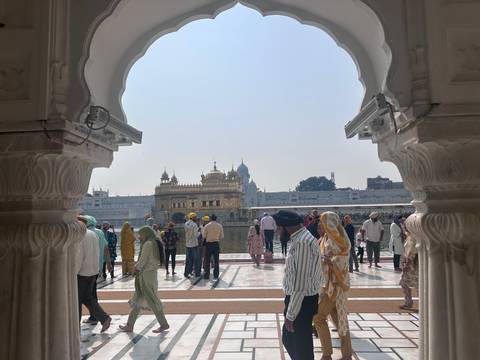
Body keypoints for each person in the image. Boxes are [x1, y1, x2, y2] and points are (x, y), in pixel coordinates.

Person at [273, 210, 321, 360]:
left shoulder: (302, 242)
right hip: (302, 299)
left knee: (300, 346)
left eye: (279, 229)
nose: (279, 232)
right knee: (292, 341)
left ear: (286, 228)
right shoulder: (301, 238)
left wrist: (291, 314)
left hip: (301, 300)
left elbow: (300, 282)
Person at [314, 211, 353, 360]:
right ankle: (347, 354)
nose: (320, 226)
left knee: (318, 317)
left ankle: (327, 354)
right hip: (326, 284)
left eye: (323, 223)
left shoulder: (340, 240)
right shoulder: (325, 238)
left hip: (335, 286)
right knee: (339, 319)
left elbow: (343, 257)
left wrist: (330, 261)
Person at [119, 226, 170, 333]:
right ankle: (130, 325)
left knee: (152, 300)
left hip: (145, 275)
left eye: (141, 235)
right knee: (138, 299)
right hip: (150, 275)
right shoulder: (155, 242)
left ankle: (164, 324)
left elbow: (142, 261)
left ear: (146, 234)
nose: (139, 237)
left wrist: (134, 270)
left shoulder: (148, 244)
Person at [76, 217, 112, 332]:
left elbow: (78, 256)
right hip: (93, 271)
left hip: (82, 273)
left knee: (77, 300)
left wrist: (73, 272)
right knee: (88, 298)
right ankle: (104, 318)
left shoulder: (80, 236)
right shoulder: (92, 234)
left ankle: (74, 327)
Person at [399, 231, 418, 309]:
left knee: (418, 285)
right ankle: (408, 302)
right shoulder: (409, 237)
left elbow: (413, 252)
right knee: (404, 283)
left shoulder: (413, 237)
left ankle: (424, 304)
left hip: (413, 265)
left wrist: (408, 263)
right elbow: (405, 251)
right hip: (408, 264)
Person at [202, 214, 224, 280]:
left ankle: (206, 275)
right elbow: (222, 236)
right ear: (216, 219)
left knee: (207, 261)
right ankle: (216, 275)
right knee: (216, 261)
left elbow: (204, 236)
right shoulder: (219, 226)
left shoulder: (207, 226)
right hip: (216, 244)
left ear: (211, 219)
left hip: (208, 245)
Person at [184, 212, 201, 278]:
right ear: (193, 217)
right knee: (196, 259)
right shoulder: (194, 225)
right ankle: (197, 273)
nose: (196, 218)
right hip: (194, 244)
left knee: (188, 259)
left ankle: (187, 273)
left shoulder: (186, 224)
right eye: (195, 217)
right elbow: (196, 235)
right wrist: (199, 231)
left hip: (188, 244)